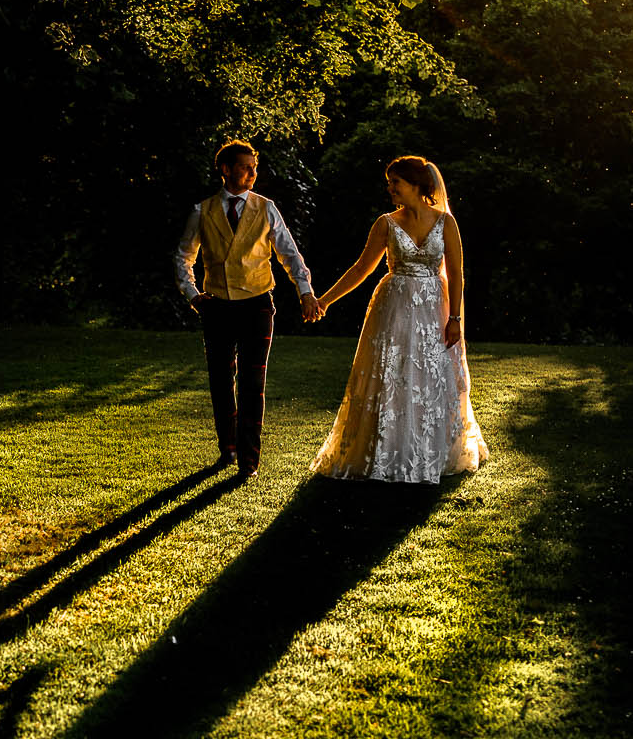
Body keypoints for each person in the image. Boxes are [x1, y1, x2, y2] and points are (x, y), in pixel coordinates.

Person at [306, 155, 489, 483]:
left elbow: (458, 272)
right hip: (394, 309)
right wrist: (325, 301)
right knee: (394, 374)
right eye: (389, 183)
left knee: (432, 376)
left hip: (435, 307)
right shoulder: (385, 223)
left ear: (417, 186)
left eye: (396, 183)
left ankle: (434, 449)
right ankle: (388, 449)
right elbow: (362, 269)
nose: (390, 189)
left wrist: (456, 318)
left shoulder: (446, 223)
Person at [174, 140, 321, 477]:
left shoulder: (266, 208)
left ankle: (248, 461)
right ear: (225, 169)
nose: (253, 172)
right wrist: (193, 293)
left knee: (253, 383)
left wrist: (305, 292)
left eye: (255, 166)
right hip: (217, 308)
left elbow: (290, 254)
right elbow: (184, 257)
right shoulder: (203, 210)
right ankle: (228, 446)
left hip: (258, 306)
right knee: (221, 382)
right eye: (245, 166)